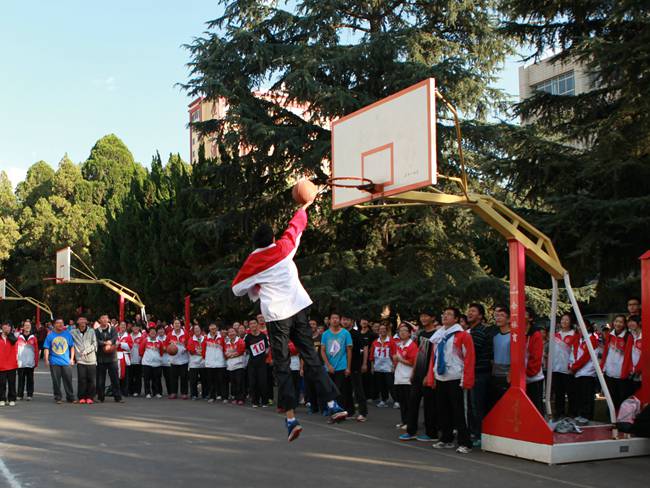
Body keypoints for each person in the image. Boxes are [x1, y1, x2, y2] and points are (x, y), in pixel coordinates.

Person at [231, 200, 347, 442]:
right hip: (298, 309)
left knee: (282, 365)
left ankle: (291, 418)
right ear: (272, 238)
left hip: (277, 317)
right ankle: (333, 403)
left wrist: (256, 285)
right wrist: (305, 205)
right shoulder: (284, 247)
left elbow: (236, 289)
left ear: (255, 243)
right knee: (311, 357)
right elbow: (296, 227)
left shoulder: (253, 261)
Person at [427, 307, 475, 454]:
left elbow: (469, 358)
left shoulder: (463, 335)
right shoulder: (438, 335)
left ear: (456, 319)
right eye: (444, 314)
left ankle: (465, 442)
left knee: (459, 412)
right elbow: (434, 358)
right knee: (443, 410)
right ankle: (446, 439)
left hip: (456, 378)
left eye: (449, 314)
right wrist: (431, 376)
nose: (445, 316)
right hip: (441, 377)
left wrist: (467, 379)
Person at [400, 311, 438, 442]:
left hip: (429, 375)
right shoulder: (421, 334)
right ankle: (411, 431)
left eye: (426, 316)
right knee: (413, 403)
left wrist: (430, 375)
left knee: (429, 406)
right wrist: (414, 371)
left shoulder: (437, 335)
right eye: (422, 316)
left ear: (433, 318)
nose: (423, 318)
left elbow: (436, 357)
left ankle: (431, 433)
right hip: (418, 374)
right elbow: (418, 354)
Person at [466, 303, 491, 446]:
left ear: (480, 316)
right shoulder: (471, 331)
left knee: (477, 405)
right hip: (472, 373)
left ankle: (479, 435)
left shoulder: (480, 331)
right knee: (471, 405)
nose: (469, 313)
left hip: (480, 373)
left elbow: (471, 351)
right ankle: (473, 432)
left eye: (473, 311)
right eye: (469, 311)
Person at [321, 313, 353, 417]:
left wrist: (348, 367)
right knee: (329, 390)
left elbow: (349, 351)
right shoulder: (325, 334)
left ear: (339, 320)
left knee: (340, 391)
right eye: (333, 318)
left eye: (337, 318)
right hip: (329, 367)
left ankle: (340, 412)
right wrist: (328, 365)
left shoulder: (345, 333)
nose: (335, 320)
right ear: (329, 320)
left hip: (341, 366)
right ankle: (331, 410)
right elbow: (322, 351)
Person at [601, 314, 633, 410]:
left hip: (621, 374)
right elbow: (605, 352)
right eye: (616, 321)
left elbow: (628, 356)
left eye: (621, 322)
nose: (618, 324)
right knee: (610, 397)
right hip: (609, 372)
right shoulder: (610, 335)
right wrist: (603, 367)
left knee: (621, 398)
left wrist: (625, 372)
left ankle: (621, 417)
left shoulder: (628, 336)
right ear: (613, 322)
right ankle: (611, 416)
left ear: (625, 324)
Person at [569, 322, 599, 423]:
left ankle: (587, 415)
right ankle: (581, 413)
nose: (580, 328)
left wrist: (574, 367)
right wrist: (572, 365)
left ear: (588, 327)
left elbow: (586, 357)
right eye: (578, 326)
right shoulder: (579, 338)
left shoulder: (592, 339)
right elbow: (574, 353)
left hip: (588, 372)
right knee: (580, 395)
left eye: (583, 326)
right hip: (578, 372)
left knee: (587, 395)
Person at [342, 314, 368, 422]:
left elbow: (365, 347)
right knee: (346, 390)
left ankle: (363, 412)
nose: (345, 321)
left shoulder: (356, 334)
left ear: (352, 322)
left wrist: (364, 363)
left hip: (355, 365)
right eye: (343, 319)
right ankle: (350, 411)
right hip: (343, 366)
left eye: (347, 319)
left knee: (358, 390)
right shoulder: (341, 333)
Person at [43, 319, 75, 404]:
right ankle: (58, 397)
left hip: (66, 361)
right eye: (58, 323)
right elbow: (46, 348)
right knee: (56, 381)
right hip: (54, 361)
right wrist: (46, 359)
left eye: (62, 323)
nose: (60, 324)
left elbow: (72, 347)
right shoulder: (50, 336)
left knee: (68, 380)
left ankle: (70, 397)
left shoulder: (67, 334)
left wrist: (72, 359)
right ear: (54, 325)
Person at [393, 323, 418, 429]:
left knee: (409, 403)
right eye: (400, 331)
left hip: (408, 378)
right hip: (399, 377)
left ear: (409, 333)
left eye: (405, 331)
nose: (402, 332)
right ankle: (404, 421)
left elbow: (413, 362)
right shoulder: (399, 345)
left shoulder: (412, 345)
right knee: (402, 402)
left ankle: (410, 423)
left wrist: (400, 359)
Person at [551, 313, 576, 418]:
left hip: (568, 369)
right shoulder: (556, 335)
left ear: (570, 322)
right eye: (562, 319)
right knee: (558, 392)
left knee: (571, 392)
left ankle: (571, 413)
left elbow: (575, 352)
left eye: (567, 320)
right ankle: (559, 412)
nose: (564, 322)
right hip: (556, 368)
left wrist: (572, 366)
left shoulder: (574, 334)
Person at [95, 314, 124, 403]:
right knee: (100, 379)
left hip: (112, 358)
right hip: (101, 358)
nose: (104, 320)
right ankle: (100, 397)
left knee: (115, 379)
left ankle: (118, 397)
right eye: (102, 318)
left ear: (108, 320)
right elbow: (96, 341)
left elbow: (115, 338)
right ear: (99, 320)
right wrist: (105, 343)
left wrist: (110, 342)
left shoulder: (113, 329)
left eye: (106, 318)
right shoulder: (96, 330)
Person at [71, 316, 97, 404]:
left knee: (91, 380)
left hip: (91, 359)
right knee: (82, 379)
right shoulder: (73, 332)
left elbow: (95, 344)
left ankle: (90, 397)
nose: (82, 321)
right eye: (80, 320)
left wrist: (86, 351)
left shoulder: (91, 331)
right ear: (77, 322)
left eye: (84, 320)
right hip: (80, 359)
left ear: (86, 321)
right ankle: (81, 397)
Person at [245, 318, 270, 407]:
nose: (253, 325)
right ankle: (255, 401)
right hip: (252, 363)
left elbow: (267, 348)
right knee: (253, 382)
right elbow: (247, 349)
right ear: (249, 326)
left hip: (262, 363)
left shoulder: (263, 335)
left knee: (263, 382)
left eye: (254, 323)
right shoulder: (248, 337)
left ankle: (264, 401)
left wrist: (264, 355)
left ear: (257, 324)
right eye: (251, 324)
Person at [489, 306, 511, 408]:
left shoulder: (513, 336)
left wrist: (510, 375)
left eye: (502, 315)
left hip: (507, 376)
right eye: (497, 316)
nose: (498, 318)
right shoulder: (495, 336)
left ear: (509, 319)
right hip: (495, 375)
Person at [370, 323, 395, 408]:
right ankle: (383, 400)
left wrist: (393, 366)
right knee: (381, 385)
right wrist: (372, 366)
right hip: (378, 367)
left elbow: (394, 354)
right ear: (378, 331)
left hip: (388, 367)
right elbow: (372, 356)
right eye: (381, 329)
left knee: (390, 384)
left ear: (386, 330)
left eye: (384, 329)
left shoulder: (391, 341)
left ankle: (396, 400)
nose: (382, 330)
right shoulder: (375, 342)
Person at [524, 309, 544, 414]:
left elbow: (536, 356)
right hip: (521, 377)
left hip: (533, 377)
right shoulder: (517, 332)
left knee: (536, 407)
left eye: (524, 314)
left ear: (530, 318)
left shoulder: (535, 334)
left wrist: (529, 371)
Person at [203, 323, 227, 403]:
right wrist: (206, 359)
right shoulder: (206, 338)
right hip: (210, 363)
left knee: (222, 381)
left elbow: (225, 349)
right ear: (209, 329)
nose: (213, 330)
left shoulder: (222, 338)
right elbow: (203, 350)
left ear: (217, 329)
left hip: (220, 363)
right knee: (211, 381)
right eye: (211, 329)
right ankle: (212, 396)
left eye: (214, 328)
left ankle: (224, 397)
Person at [166, 319, 190, 400]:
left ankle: (184, 393)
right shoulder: (170, 334)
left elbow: (190, 344)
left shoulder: (185, 333)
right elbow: (166, 345)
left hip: (184, 359)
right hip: (173, 360)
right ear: (173, 325)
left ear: (180, 325)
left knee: (184, 378)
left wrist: (185, 349)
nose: (177, 325)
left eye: (178, 323)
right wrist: (169, 349)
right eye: (175, 323)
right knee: (173, 378)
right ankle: (173, 393)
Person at [16, 320, 39, 401]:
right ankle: (20, 395)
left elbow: (36, 350)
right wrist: (15, 360)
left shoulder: (34, 338)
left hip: (30, 362)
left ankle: (30, 394)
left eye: (28, 325)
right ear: (23, 327)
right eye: (25, 325)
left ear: (31, 327)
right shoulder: (18, 337)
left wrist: (36, 361)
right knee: (21, 379)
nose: (27, 327)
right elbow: (15, 349)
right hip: (20, 362)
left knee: (30, 379)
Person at [140, 324, 164, 399]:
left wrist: (157, 358)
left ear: (156, 333)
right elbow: (141, 351)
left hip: (157, 364)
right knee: (147, 379)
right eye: (151, 331)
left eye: (154, 331)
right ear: (149, 333)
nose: (153, 333)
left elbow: (161, 352)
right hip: (147, 363)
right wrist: (147, 358)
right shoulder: (145, 341)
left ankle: (156, 392)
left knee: (156, 379)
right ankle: (147, 393)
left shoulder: (159, 342)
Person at [225, 327, 246, 405]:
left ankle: (241, 398)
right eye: (229, 332)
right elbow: (225, 353)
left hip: (239, 365)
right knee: (233, 383)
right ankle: (235, 397)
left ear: (236, 333)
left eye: (233, 331)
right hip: (230, 366)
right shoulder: (227, 343)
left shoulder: (240, 341)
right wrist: (232, 354)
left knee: (239, 382)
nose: (231, 333)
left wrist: (231, 355)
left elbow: (240, 351)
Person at [0, 321, 19, 406]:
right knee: (1, 383)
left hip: (11, 365)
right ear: (1, 327)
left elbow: (14, 341)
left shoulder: (12, 337)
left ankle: (12, 398)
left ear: (11, 328)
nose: (6, 327)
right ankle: (2, 399)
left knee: (12, 383)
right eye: (4, 325)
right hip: (1, 364)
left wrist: (8, 334)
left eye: (8, 326)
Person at [359, 317, 377, 401]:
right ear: (360, 322)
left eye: (366, 320)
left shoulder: (372, 334)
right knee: (360, 378)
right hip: (359, 358)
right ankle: (361, 395)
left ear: (368, 322)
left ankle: (369, 396)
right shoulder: (358, 333)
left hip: (369, 358)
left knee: (368, 377)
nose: (364, 321)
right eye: (362, 320)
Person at [187, 324, 207, 400]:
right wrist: (200, 352)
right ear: (193, 331)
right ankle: (194, 395)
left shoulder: (205, 338)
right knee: (193, 381)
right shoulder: (191, 339)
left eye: (198, 328)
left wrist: (199, 352)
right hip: (194, 363)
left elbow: (207, 350)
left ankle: (205, 394)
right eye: (195, 329)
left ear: (200, 330)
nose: (197, 330)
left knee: (204, 380)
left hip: (203, 363)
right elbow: (191, 350)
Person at [627, 315, 642, 399]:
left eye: (633, 321)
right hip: (633, 372)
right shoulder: (632, 335)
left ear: (639, 323)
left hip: (642, 372)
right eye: (629, 322)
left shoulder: (645, 335)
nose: (630, 323)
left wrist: (637, 369)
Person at [116, 322, 133, 398]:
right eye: (121, 325)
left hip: (125, 358)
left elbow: (130, 347)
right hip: (116, 357)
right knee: (116, 375)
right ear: (119, 326)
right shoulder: (115, 335)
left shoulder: (128, 336)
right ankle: (117, 391)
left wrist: (120, 344)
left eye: (124, 325)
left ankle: (125, 391)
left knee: (125, 375)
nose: (123, 326)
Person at [128, 322, 143, 397]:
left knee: (138, 377)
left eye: (137, 327)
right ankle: (130, 391)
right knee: (130, 376)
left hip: (138, 359)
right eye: (134, 327)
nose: (135, 328)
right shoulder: (128, 336)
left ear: (139, 328)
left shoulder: (142, 337)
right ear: (131, 328)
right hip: (130, 359)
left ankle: (137, 391)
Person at [157, 325, 172, 395]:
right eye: (159, 329)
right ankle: (159, 392)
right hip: (158, 361)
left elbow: (170, 348)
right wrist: (163, 349)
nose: (161, 331)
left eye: (162, 329)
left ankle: (170, 392)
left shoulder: (168, 338)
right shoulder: (155, 339)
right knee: (158, 377)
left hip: (167, 361)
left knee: (168, 378)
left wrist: (165, 349)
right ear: (157, 331)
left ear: (164, 330)